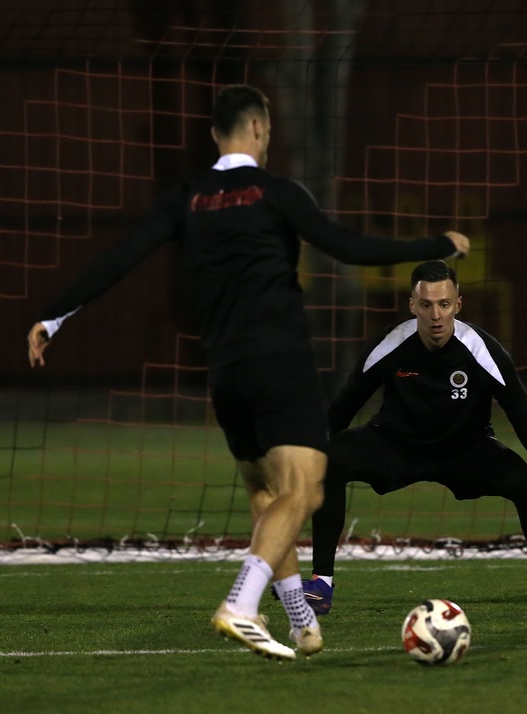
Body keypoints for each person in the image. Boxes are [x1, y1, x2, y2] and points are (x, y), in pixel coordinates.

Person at [25, 85, 470, 660]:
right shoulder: (275, 191)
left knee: (266, 491)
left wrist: (53, 317)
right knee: (305, 489)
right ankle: (241, 603)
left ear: (216, 135)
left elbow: (122, 255)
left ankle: (300, 621)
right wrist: (439, 243)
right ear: (260, 130)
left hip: (225, 369)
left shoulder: (186, 197)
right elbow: (347, 246)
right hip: (279, 361)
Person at [304, 259, 527, 615]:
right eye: (426, 305)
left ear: (458, 304)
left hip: (465, 450)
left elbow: (524, 420)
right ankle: (321, 585)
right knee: (329, 461)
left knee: (525, 486)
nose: (436, 315)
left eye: (444, 304)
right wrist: (306, 459)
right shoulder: (390, 343)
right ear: (412, 306)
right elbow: (343, 408)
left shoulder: (483, 350)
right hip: (396, 446)